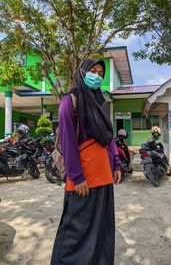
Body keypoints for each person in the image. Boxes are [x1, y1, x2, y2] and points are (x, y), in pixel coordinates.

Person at [51, 59, 121, 265]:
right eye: (93, 71)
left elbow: (108, 137)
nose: (97, 76)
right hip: (83, 179)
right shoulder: (69, 101)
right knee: (76, 232)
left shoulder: (101, 103)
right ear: (82, 72)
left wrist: (116, 163)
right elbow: (68, 141)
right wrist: (77, 175)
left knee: (101, 228)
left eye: (101, 73)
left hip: (104, 177)